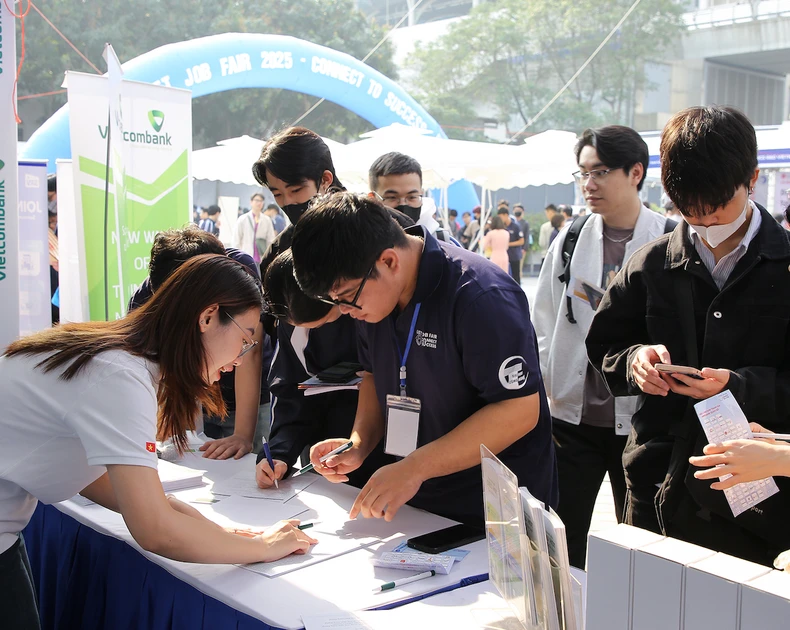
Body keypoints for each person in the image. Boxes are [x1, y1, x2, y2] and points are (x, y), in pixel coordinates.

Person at [0, 255, 317, 627]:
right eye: (245, 340)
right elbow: (154, 529)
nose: (240, 359)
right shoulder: (119, 377)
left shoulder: (117, 357)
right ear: (207, 316)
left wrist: (216, 533)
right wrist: (260, 548)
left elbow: (101, 484)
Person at [585, 106, 790, 566]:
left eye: (717, 209)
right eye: (688, 211)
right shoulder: (650, 263)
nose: (705, 222)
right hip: (659, 484)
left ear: (752, 179)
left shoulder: (785, 267)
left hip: (759, 504)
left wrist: (738, 387)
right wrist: (636, 361)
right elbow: (605, 347)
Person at [289, 192, 558, 525]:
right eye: (335, 301)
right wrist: (358, 443)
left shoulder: (480, 296)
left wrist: (416, 467)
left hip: (494, 507)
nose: (345, 311)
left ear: (389, 261)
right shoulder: (372, 301)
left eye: (347, 298)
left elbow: (518, 409)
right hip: (419, 499)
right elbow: (372, 375)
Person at [532, 124, 676, 569]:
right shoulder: (572, 239)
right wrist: (545, 388)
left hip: (639, 420)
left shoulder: (670, 239)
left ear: (636, 172)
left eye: (600, 172)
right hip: (571, 417)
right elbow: (544, 318)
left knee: (640, 539)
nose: (589, 184)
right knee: (561, 533)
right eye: (582, 174)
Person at [255, 250, 396, 490]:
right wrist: (279, 454)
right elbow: (289, 392)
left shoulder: (372, 308)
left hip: (392, 453)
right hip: (326, 460)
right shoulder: (292, 324)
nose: (309, 330)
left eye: (323, 322)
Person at [129, 226, 270, 460]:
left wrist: (243, 435)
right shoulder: (145, 304)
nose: (236, 359)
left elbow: (250, 352)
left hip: (245, 399)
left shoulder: (239, 274)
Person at [368, 152, 454, 243]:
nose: (403, 204)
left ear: (421, 194)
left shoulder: (442, 243)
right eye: (392, 197)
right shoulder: (360, 242)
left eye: (412, 197)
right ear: (372, 199)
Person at [236, 193, 275, 265]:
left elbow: (270, 239)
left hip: (262, 255)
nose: (259, 203)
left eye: (261, 201)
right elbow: (237, 239)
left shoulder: (267, 220)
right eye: (257, 200)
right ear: (251, 202)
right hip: (246, 255)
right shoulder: (243, 219)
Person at [497, 206, 525, 284]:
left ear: (506, 215)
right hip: (504, 256)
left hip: (514, 256)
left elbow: (521, 241)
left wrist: (508, 244)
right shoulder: (502, 227)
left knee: (516, 277)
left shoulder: (516, 226)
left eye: (501, 217)